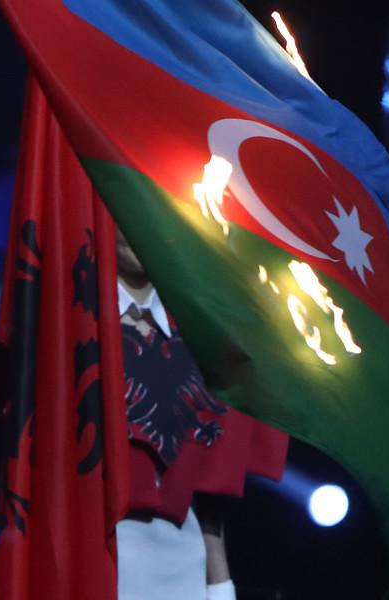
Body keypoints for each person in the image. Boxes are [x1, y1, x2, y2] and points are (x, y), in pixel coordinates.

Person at [114, 228, 287, 600]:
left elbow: (209, 480)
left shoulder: (200, 335)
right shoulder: (73, 323)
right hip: (94, 553)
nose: (134, 227)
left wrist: (220, 586)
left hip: (181, 561)